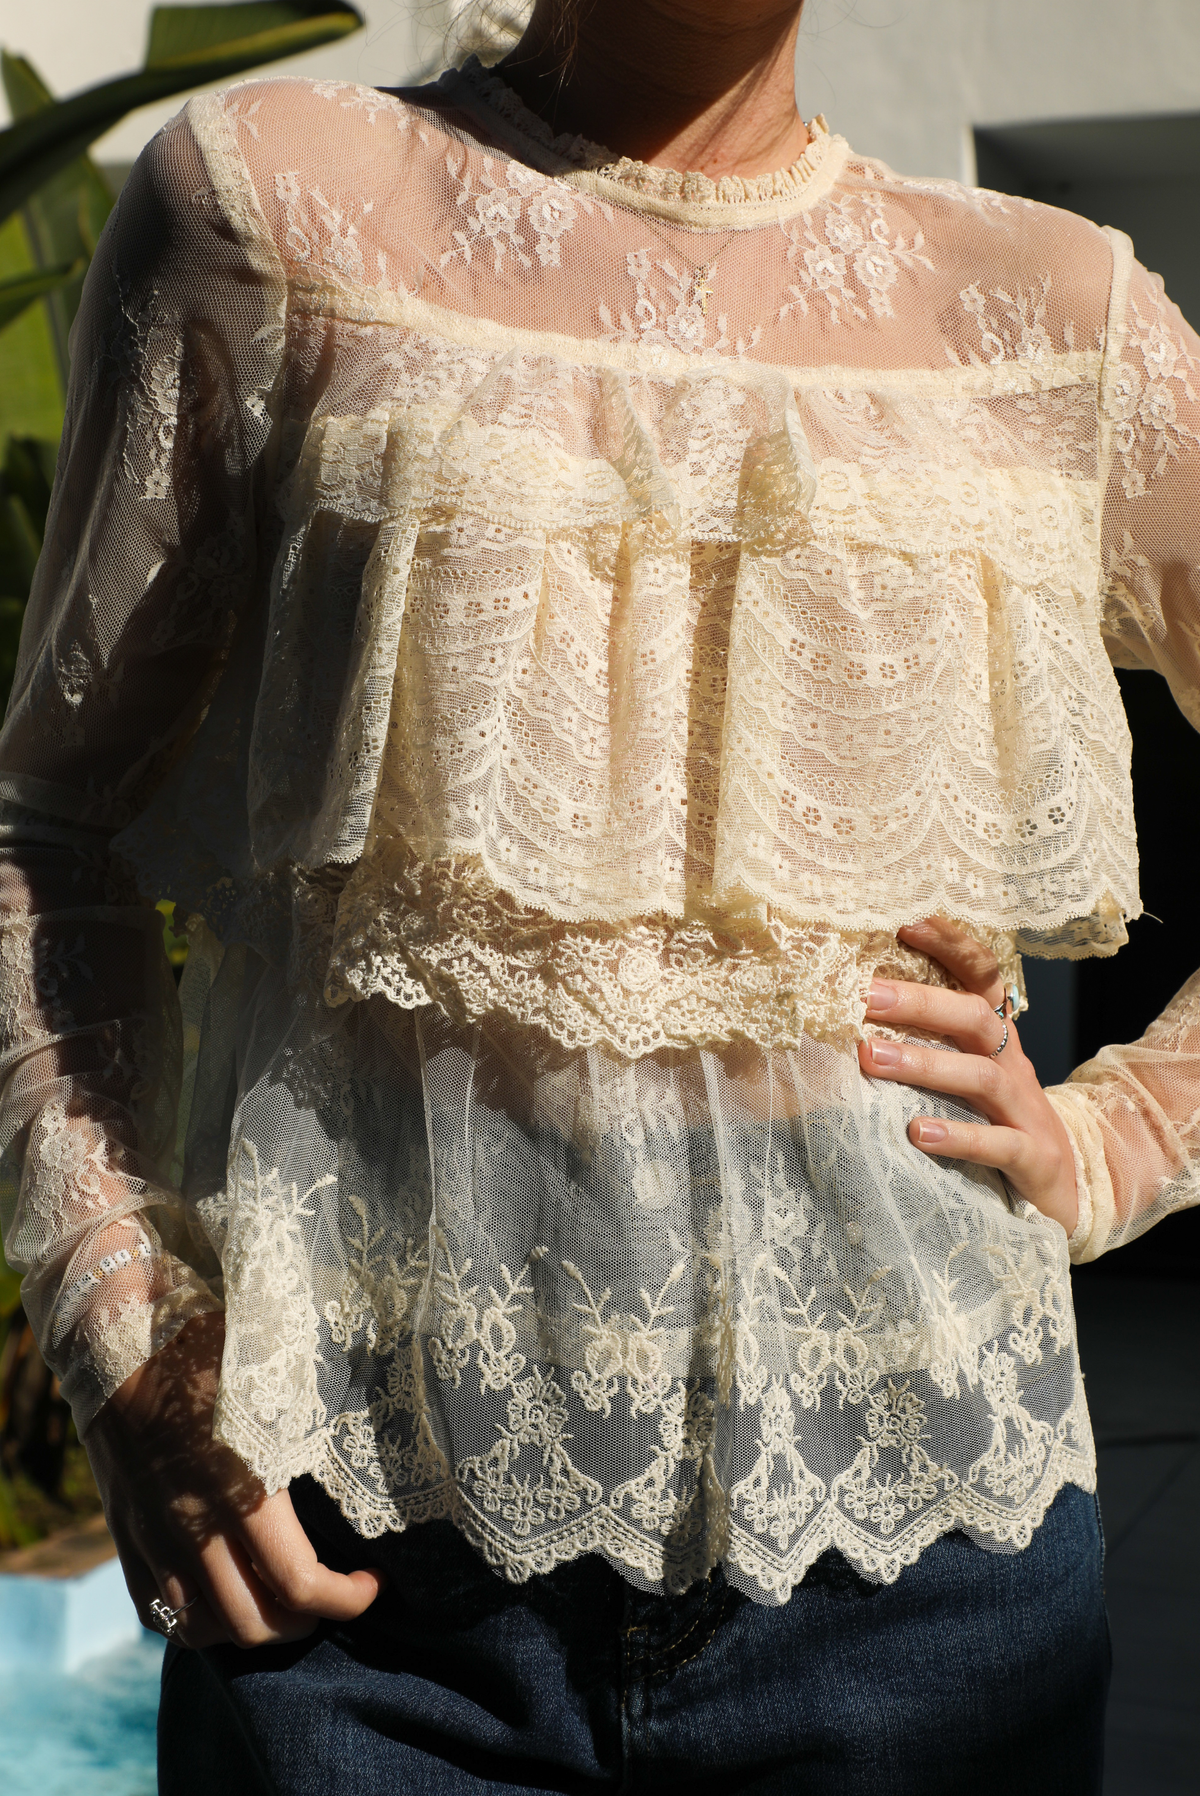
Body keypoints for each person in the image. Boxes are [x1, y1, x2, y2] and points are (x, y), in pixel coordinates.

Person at [1, 0, 1197, 1788]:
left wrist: (1127, 1134)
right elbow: (43, 825)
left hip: (930, 1592)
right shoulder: (262, 213)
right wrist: (125, 1332)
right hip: (359, 1606)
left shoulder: (1053, 315)